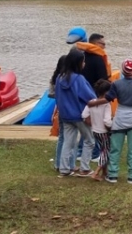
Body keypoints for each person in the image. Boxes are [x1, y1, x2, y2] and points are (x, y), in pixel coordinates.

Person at [55, 49, 96, 178]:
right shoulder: (79, 79)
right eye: (83, 61)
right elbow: (89, 96)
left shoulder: (59, 78)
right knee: (89, 141)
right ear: (78, 63)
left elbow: (57, 96)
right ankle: (85, 168)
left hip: (65, 116)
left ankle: (64, 168)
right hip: (80, 115)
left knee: (68, 142)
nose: (84, 63)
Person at [104, 60, 132, 184]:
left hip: (120, 115)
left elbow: (108, 98)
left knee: (115, 147)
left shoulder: (116, 84)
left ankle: (112, 175)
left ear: (122, 70)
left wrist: (94, 103)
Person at [82, 79, 112, 181]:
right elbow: (107, 121)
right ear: (107, 92)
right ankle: (96, 172)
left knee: (102, 149)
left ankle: (105, 172)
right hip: (104, 132)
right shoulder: (106, 104)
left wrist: (92, 123)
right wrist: (111, 128)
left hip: (95, 131)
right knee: (106, 151)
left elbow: (84, 115)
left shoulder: (91, 102)